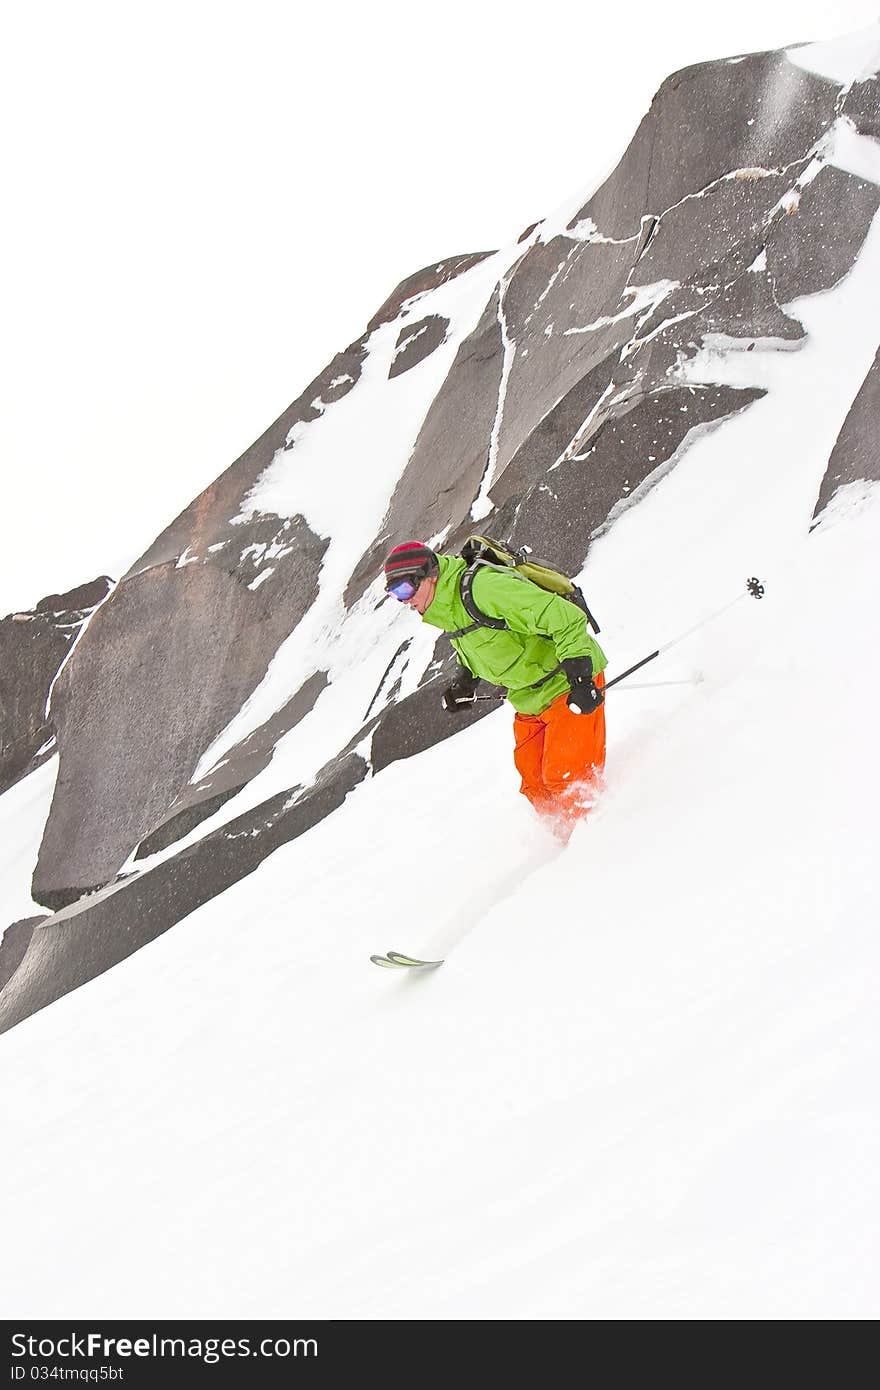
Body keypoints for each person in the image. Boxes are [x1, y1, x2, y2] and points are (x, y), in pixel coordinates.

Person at [383, 541, 608, 833]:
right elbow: (479, 640)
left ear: (429, 575)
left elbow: (563, 617)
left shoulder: (484, 588)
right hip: (527, 698)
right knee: (535, 784)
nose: (403, 601)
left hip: (565, 684)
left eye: (404, 590)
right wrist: (466, 681)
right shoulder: (447, 607)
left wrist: (580, 676)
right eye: (394, 594)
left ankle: (596, 846)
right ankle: (562, 847)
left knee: (566, 779)